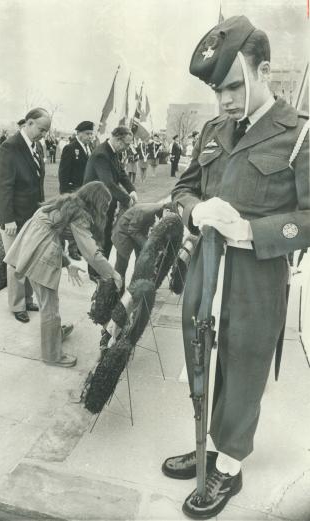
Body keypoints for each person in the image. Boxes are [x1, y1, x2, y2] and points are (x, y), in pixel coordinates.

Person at [162, 15, 309, 520]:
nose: (222, 101)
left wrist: (250, 231)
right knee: (200, 355)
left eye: (230, 86)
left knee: (242, 367)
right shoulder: (213, 129)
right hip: (206, 265)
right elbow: (183, 186)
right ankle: (205, 444)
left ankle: (228, 463)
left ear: (262, 70)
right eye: (214, 90)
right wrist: (194, 210)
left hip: (256, 276)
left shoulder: (299, 135)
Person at [4, 182, 122, 368]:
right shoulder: (81, 215)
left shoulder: (68, 203)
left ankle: (55, 334)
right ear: (97, 202)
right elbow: (90, 252)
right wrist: (112, 273)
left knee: (49, 300)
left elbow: (51, 231)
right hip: (41, 251)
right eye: (105, 205)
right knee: (50, 306)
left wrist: (67, 264)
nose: (107, 210)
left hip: (31, 245)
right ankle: (52, 355)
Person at [0, 107, 51, 323]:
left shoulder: (36, 147)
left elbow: (38, 184)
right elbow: (3, 187)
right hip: (14, 218)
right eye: (41, 129)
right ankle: (17, 305)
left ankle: (27, 300)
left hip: (32, 215)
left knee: (29, 259)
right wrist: (8, 218)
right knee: (16, 263)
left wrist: (42, 210)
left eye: (46, 131)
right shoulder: (10, 147)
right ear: (28, 123)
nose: (43, 134)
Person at [84, 126, 138, 260]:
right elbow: (108, 183)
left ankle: (104, 268)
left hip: (107, 202)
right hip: (97, 203)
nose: (127, 147)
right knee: (99, 237)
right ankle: (95, 272)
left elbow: (121, 174)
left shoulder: (114, 152)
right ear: (118, 140)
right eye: (126, 144)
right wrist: (126, 199)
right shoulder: (101, 154)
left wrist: (132, 190)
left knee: (107, 235)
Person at [111, 202, 175, 286]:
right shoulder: (146, 211)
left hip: (138, 231)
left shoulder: (162, 212)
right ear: (167, 210)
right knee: (122, 264)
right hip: (124, 231)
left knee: (142, 259)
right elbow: (132, 229)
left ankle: (135, 287)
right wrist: (148, 244)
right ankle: (115, 292)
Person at [58, 121, 94, 260]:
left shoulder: (89, 147)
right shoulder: (70, 148)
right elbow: (63, 172)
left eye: (91, 134)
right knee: (68, 219)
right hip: (72, 190)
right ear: (78, 133)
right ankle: (62, 247)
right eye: (87, 134)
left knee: (80, 220)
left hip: (85, 191)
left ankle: (76, 248)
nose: (90, 136)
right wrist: (65, 193)